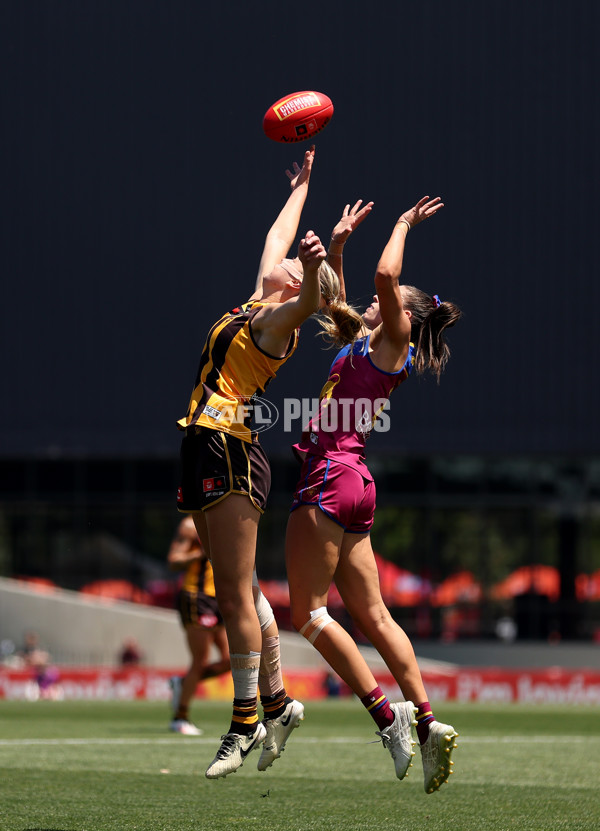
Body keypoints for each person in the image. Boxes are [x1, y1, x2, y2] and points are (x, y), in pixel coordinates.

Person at [176, 147, 371, 779]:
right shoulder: (260, 300)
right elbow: (276, 234)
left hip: (231, 448)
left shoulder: (276, 323)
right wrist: (305, 185)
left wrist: (318, 271)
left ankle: (244, 720)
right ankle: (281, 701)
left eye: (291, 267)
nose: (282, 260)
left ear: (293, 285)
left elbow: (315, 300)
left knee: (233, 594)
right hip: (203, 441)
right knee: (246, 590)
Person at [285, 195, 461, 794]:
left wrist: (404, 223)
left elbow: (386, 277)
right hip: (354, 482)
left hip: (329, 475)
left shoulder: (394, 342)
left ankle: (387, 719)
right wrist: (337, 246)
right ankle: (430, 722)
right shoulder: (366, 340)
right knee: (375, 615)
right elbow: (335, 305)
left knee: (308, 614)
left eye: (384, 301)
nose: (373, 299)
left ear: (399, 313)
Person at [167, 515, 231, 735]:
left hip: (219, 598)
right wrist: (200, 553)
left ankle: (182, 684)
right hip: (197, 597)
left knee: (230, 659)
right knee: (200, 659)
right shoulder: (190, 525)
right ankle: (180, 717)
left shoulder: (226, 518)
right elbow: (174, 560)